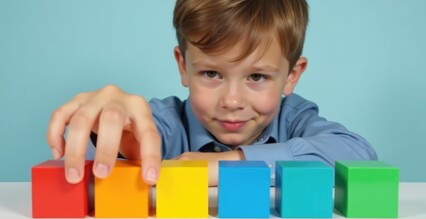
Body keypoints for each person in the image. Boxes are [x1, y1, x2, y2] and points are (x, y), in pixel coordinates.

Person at [47, 0, 377, 187]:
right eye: (211, 73)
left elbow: (357, 154)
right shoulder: (165, 121)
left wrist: (228, 163)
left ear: (291, 76)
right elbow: (134, 141)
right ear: (183, 66)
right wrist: (116, 140)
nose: (232, 102)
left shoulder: (294, 118)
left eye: (257, 76)